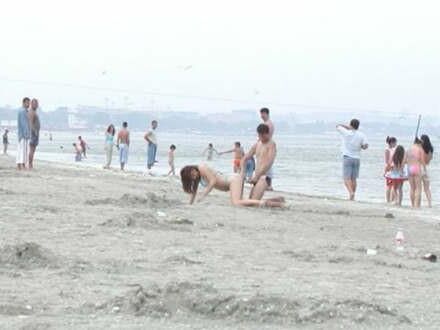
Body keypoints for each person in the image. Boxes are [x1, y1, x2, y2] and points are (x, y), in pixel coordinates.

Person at [180, 164, 284, 207]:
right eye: (191, 177)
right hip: (232, 182)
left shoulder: (201, 167)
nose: (194, 176)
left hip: (233, 180)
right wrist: (190, 205)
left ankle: (265, 202)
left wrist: (203, 196)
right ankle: (277, 200)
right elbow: (194, 191)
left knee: (237, 203)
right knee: (247, 203)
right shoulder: (197, 176)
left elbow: (212, 181)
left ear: (192, 169)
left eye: (192, 174)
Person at [241, 124, 277, 200]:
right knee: (250, 199)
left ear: (267, 134)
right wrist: (242, 172)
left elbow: (269, 163)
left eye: (263, 136)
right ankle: (278, 200)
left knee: (254, 201)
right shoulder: (258, 144)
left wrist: (257, 176)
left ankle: (279, 202)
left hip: (265, 176)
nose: (261, 138)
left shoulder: (271, 145)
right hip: (257, 176)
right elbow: (246, 157)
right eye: (259, 136)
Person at [336, 119, 369, 201]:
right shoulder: (362, 135)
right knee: (353, 178)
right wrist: (360, 146)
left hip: (347, 157)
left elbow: (337, 126)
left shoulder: (346, 132)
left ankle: (351, 193)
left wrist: (348, 127)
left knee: (346, 178)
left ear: (350, 125)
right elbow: (365, 146)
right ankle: (353, 196)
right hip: (357, 158)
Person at [407, 138, 425, 208]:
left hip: (409, 168)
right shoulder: (420, 149)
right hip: (417, 167)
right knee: (418, 188)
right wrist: (425, 171)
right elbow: (422, 161)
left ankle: (412, 204)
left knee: (412, 188)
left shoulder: (408, 149)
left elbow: (405, 160)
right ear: (419, 143)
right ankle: (416, 205)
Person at [260, 107, 275, 189]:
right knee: (265, 165)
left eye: (263, 114)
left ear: (267, 114)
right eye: (261, 114)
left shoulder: (268, 124)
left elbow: (267, 136)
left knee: (267, 166)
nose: (261, 116)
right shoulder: (267, 123)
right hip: (265, 146)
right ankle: (267, 184)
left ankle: (268, 185)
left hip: (266, 146)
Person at [16, 97, 31, 170]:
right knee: (24, 151)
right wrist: (27, 135)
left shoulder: (21, 111)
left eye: (29, 103)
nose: (29, 104)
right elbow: (24, 124)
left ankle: (19, 164)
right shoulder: (23, 111)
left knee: (20, 150)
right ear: (24, 103)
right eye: (28, 103)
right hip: (23, 135)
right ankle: (23, 165)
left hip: (20, 134)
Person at [420, 134, 434, 207]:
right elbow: (429, 160)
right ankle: (429, 203)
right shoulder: (431, 149)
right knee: (427, 189)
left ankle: (416, 204)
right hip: (426, 169)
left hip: (419, 168)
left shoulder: (420, 148)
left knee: (417, 188)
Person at [28, 98, 41, 169]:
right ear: (31, 104)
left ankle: (30, 164)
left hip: (35, 133)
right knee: (32, 149)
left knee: (33, 149)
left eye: (36, 104)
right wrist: (34, 132)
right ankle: (30, 164)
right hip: (33, 134)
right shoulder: (32, 112)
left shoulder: (34, 112)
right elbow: (30, 123)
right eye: (34, 104)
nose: (36, 105)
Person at [384, 136, 397, 203]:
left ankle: (392, 200)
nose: (396, 144)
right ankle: (388, 200)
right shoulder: (387, 150)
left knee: (394, 186)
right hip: (389, 169)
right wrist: (387, 170)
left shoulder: (393, 149)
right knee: (389, 186)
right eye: (395, 143)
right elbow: (387, 161)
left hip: (394, 168)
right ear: (392, 143)